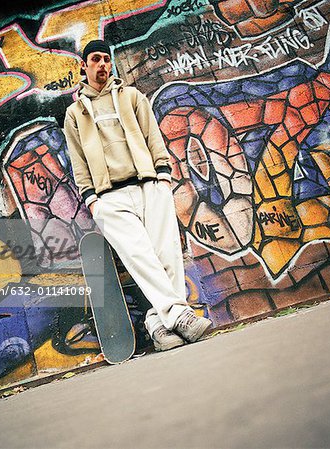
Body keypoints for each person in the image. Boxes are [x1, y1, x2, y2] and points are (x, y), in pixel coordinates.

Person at [64, 39, 213, 351]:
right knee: (141, 257)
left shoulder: (132, 97)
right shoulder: (75, 114)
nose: (102, 64)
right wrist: (91, 198)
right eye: (95, 59)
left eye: (107, 59)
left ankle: (158, 324)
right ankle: (180, 316)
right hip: (109, 197)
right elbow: (78, 161)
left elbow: (153, 137)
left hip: (149, 186)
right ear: (84, 65)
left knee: (167, 254)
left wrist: (162, 176)